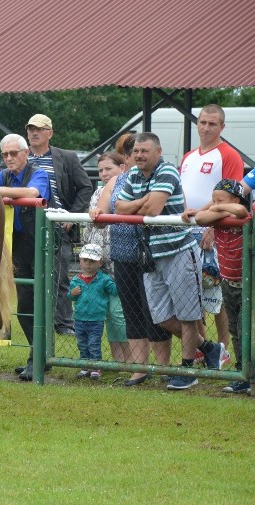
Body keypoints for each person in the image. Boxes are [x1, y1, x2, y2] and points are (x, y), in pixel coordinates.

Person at [115, 132, 224, 390]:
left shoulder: (167, 172)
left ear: (158, 151)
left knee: (188, 316)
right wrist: (145, 200)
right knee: (161, 318)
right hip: (152, 256)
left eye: (145, 151)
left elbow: (152, 210)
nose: (139, 155)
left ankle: (187, 371)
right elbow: (119, 207)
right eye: (136, 151)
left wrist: (138, 203)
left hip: (179, 251)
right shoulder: (133, 175)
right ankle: (209, 349)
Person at [91, 134, 172, 386]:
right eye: (131, 153)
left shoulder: (158, 176)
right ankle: (138, 368)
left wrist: (128, 207)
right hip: (122, 252)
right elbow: (106, 209)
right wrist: (99, 211)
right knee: (131, 309)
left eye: (140, 152)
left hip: (152, 253)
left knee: (154, 310)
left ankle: (163, 367)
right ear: (125, 157)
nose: (135, 157)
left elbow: (151, 207)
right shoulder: (117, 180)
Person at [180, 104, 245, 360]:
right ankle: (204, 346)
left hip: (215, 234)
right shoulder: (189, 156)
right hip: (188, 231)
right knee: (195, 291)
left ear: (222, 127)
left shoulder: (228, 155)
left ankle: (224, 347)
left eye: (212, 124)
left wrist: (209, 227)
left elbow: (232, 196)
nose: (206, 127)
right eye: (203, 122)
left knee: (218, 292)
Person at [26, 113, 93, 337]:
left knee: (59, 277)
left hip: (57, 225)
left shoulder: (67, 157)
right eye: (30, 129)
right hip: (25, 227)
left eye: (39, 129)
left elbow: (85, 187)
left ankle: (63, 324)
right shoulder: (20, 158)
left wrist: (71, 216)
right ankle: (30, 322)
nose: (34, 133)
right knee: (25, 279)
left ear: (50, 133)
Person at [0, 134, 51, 381]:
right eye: (5, 154)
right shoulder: (3, 174)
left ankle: (39, 358)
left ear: (26, 153)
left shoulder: (39, 172)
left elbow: (32, 192)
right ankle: (36, 356)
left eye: (13, 153)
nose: (9, 159)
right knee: (25, 304)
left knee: (41, 304)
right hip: (14, 245)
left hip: (39, 246)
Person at [183, 179, 249, 393]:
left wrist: (217, 207)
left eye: (220, 199)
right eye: (213, 199)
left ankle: (254, 372)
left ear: (234, 198)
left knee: (245, 328)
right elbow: (201, 217)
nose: (214, 203)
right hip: (228, 280)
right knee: (234, 330)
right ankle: (243, 373)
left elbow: (240, 210)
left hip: (246, 282)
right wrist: (219, 207)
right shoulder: (219, 215)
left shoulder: (239, 212)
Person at [83, 152, 130, 364]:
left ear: (122, 167)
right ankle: (116, 359)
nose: (103, 174)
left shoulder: (126, 189)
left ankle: (133, 359)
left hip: (119, 258)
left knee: (121, 314)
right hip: (100, 262)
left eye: (108, 169)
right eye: (100, 170)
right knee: (109, 314)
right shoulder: (97, 193)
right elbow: (91, 227)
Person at [68, 244, 118, 379]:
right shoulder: (75, 280)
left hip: (97, 320)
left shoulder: (103, 279)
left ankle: (96, 367)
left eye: (92, 261)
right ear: (80, 261)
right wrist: (72, 293)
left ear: (100, 263)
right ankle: (85, 366)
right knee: (82, 344)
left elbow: (114, 290)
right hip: (79, 318)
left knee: (94, 344)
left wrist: (117, 282)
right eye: (85, 260)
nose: (88, 264)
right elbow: (70, 296)